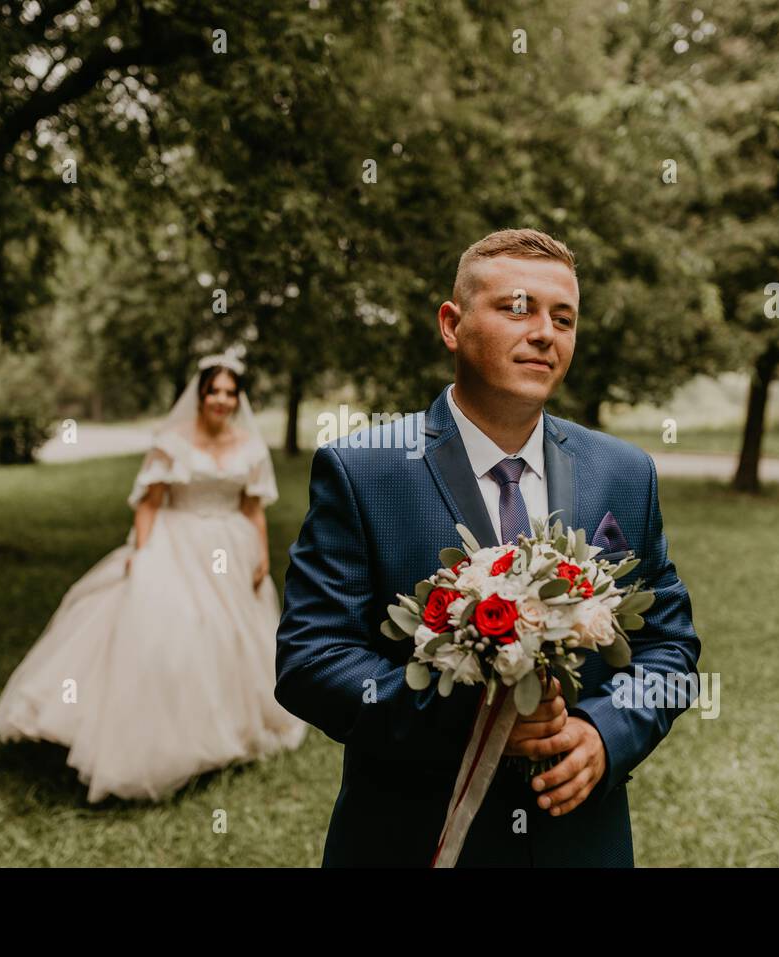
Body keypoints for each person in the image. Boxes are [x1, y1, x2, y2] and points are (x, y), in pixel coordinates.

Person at [274, 228, 701, 865]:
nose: (545, 334)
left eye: (564, 318)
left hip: (577, 841)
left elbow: (670, 643)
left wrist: (605, 734)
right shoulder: (364, 470)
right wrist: (472, 721)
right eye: (517, 309)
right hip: (411, 837)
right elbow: (312, 660)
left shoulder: (622, 473)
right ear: (452, 324)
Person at [0, 354, 307, 802]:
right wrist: (144, 550)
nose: (221, 399)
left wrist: (259, 554)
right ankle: (148, 740)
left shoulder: (249, 446)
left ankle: (225, 728)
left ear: (238, 399)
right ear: (199, 395)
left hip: (230, 549)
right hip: (175, 540)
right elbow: (149, 503)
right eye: (213, 390)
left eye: (230, 392)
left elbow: (253, 507)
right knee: (173, 630)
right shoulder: (172, 441)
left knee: (227, 638)